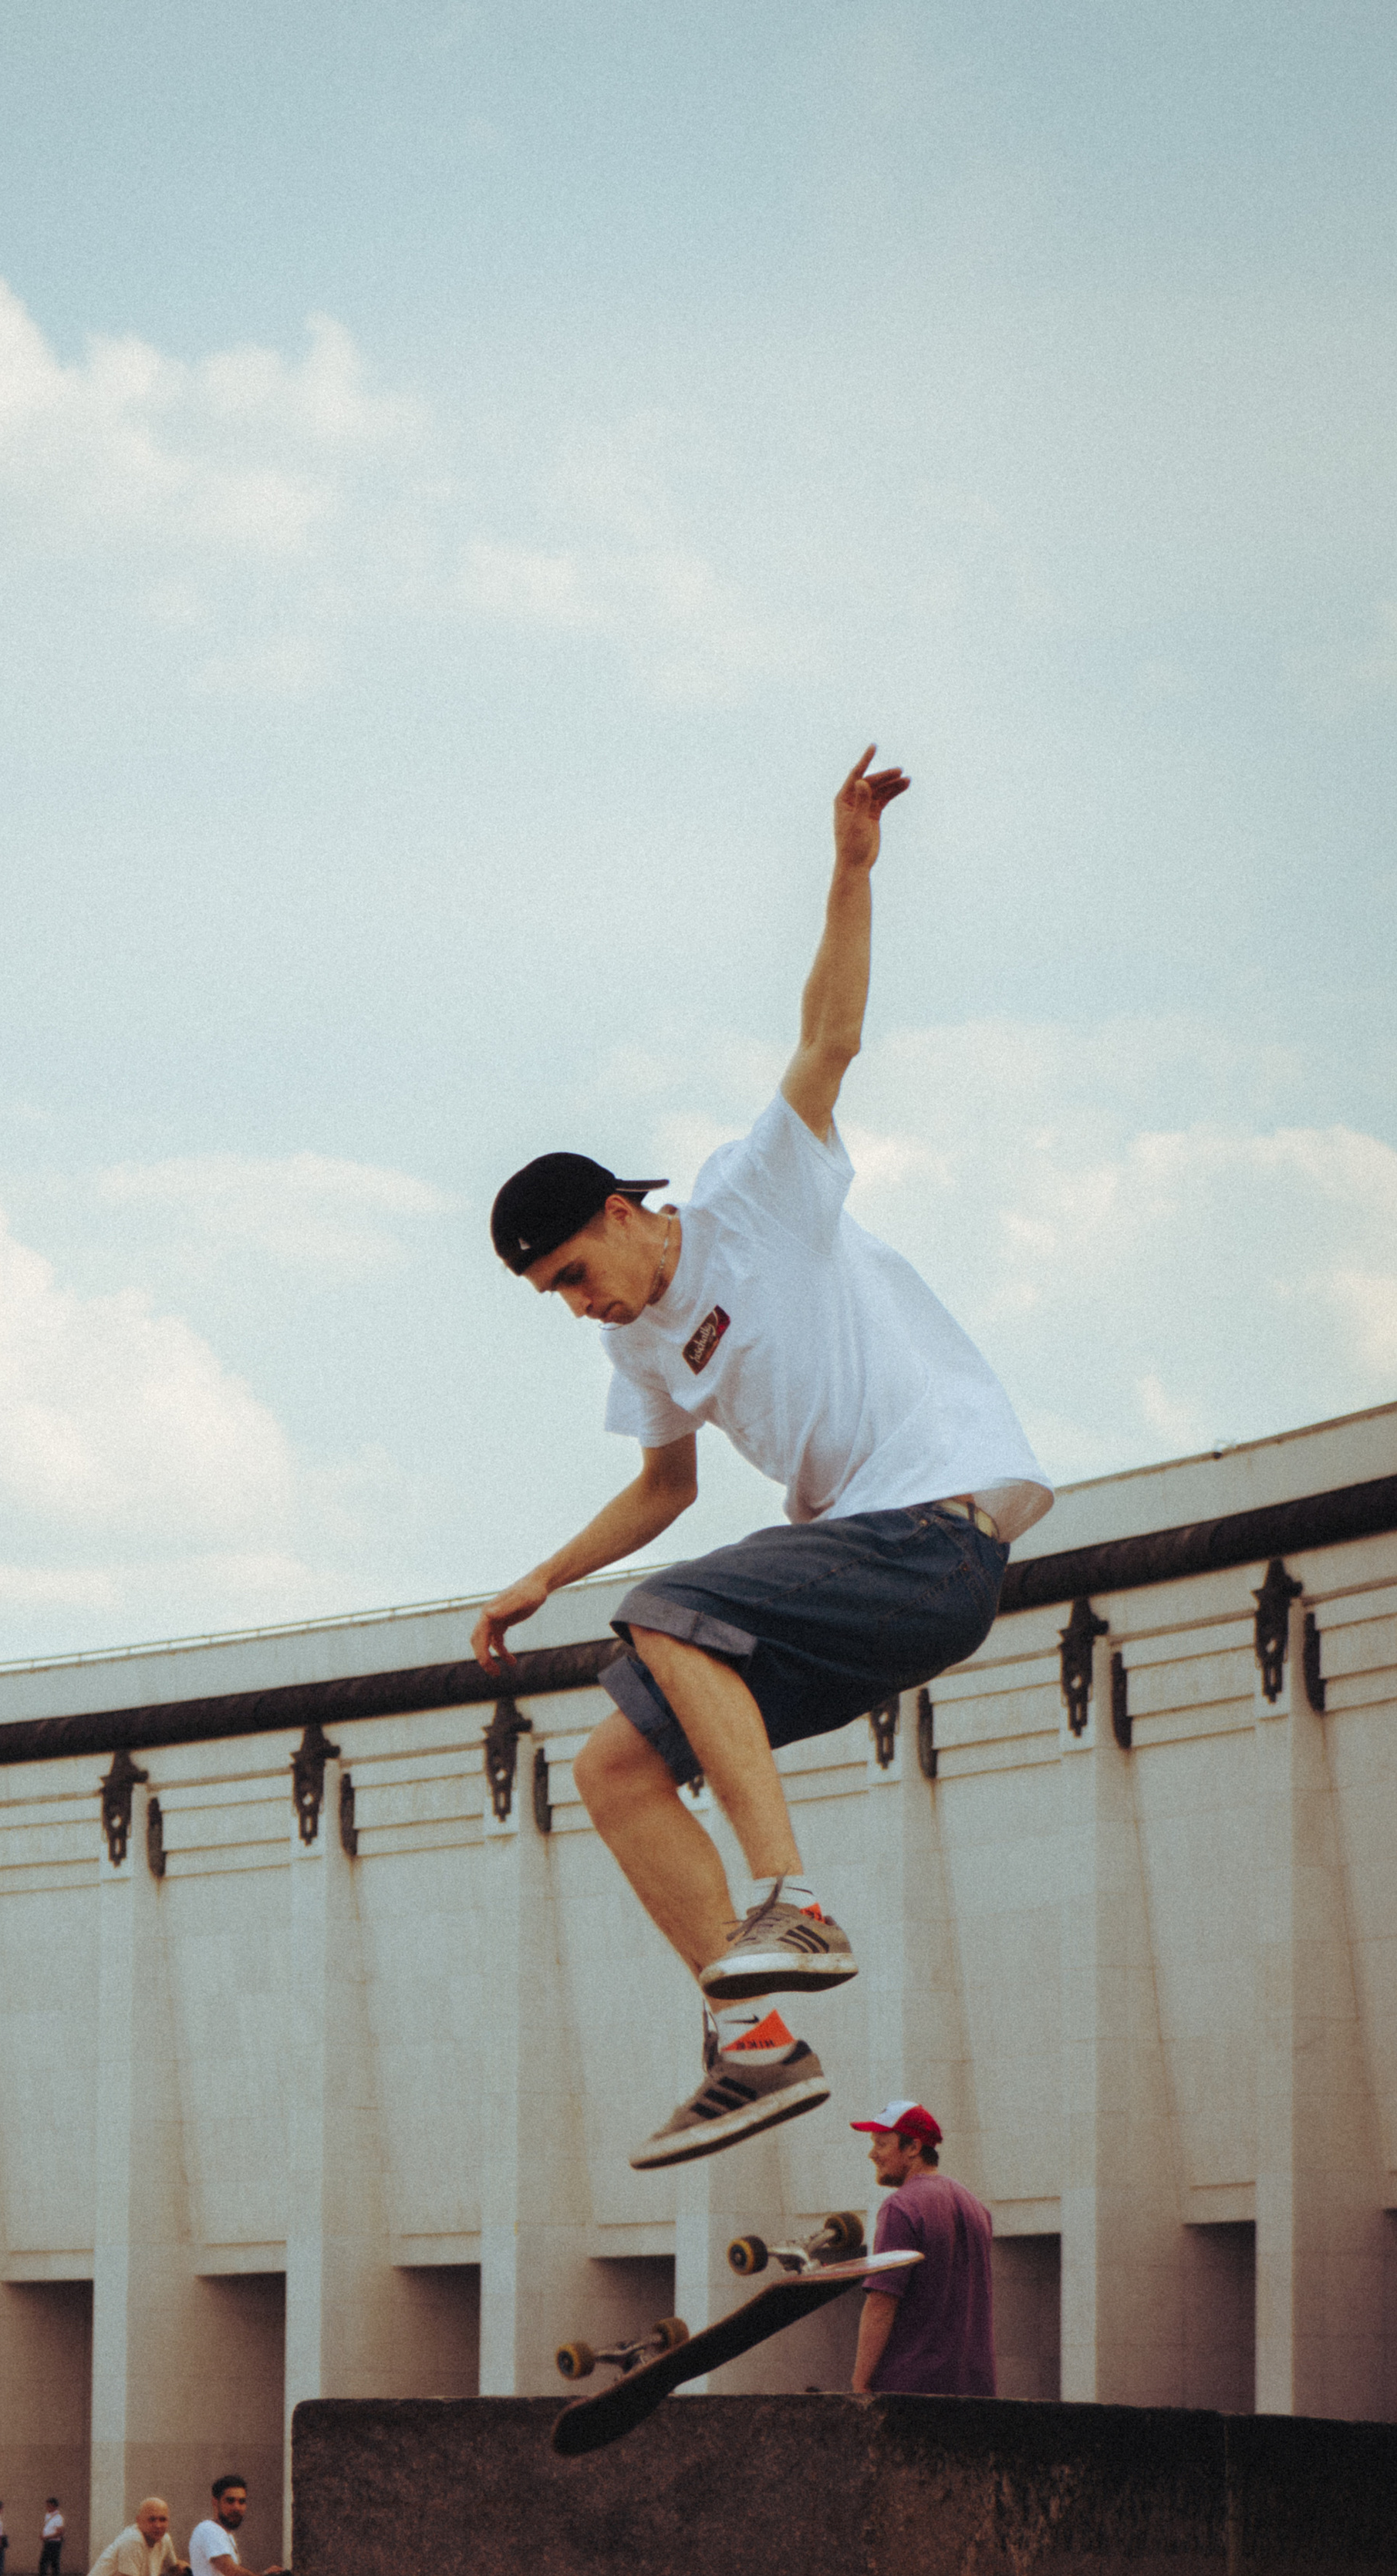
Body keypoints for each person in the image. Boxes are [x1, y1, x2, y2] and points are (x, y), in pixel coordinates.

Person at [471, 749, 1051, 2172]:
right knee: (610, 1763)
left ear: (624, 1210)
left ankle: (789, 1899)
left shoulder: (753, 1196)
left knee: (670, 1613)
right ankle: (755, 2047)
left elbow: (830, 1040)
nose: (579, 1304)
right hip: (861, 1581)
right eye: (552, 1294)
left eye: (574, 1270)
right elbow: (667, 1492)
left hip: (935, 1528)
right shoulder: (640, 1350)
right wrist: (539, 1576)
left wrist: (852, 868)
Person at [848, 2098, 996, 2398]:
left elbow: (881, 2303)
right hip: (976, 2392)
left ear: (913, 2147)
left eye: (881, 2143)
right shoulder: (976, 2207)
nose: (872, 2154)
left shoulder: (900, 2207)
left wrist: (860, 2381)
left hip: (911, 2392)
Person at [36, 2497, 65, 2576]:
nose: (47, 2507)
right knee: (43, 2562)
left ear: (54, 2506)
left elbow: (59, 2533)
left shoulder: (59, 2518)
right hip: (47, 2542)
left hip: (54, 2543)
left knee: (54, 2563)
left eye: (49, 2505)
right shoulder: (47, 2515)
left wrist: (46, 2537)